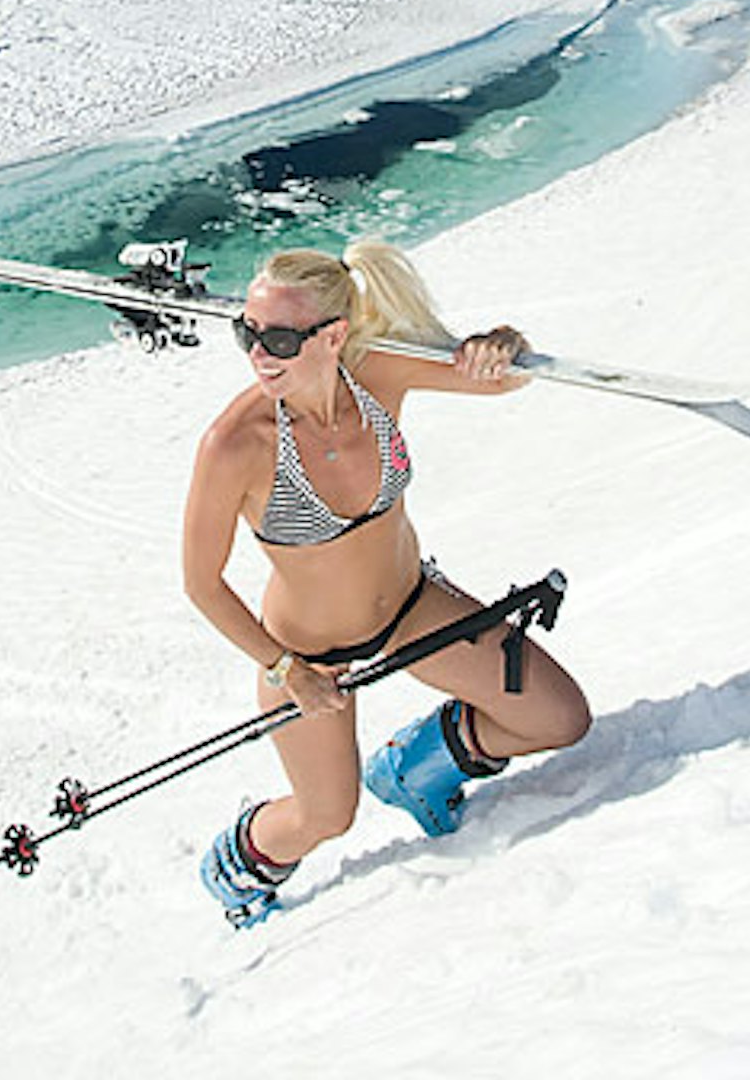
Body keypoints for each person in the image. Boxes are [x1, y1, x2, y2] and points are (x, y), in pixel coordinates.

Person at [182, 239, 592, 927]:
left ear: (334, 335)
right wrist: (286, 669)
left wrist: (503, 345)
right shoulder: (236, 442)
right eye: (247, 334)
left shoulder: (376, 375)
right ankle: (239, 864)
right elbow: (201, 582)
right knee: (326, 815)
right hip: (306, 657)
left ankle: (415, 770)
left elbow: (503, 377)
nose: (260, 356)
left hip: (410, 609)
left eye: (280, 338)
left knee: (560, 720)